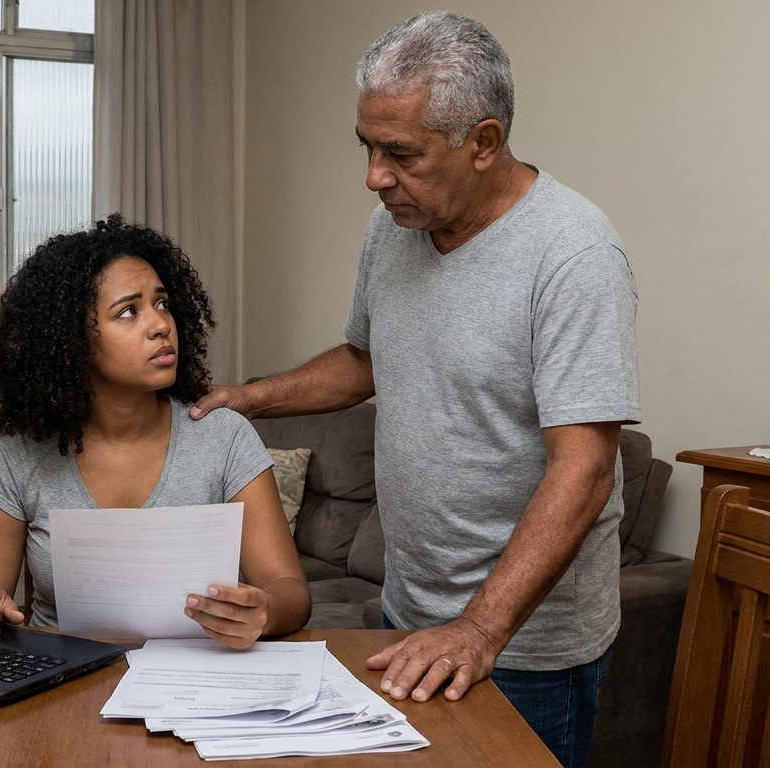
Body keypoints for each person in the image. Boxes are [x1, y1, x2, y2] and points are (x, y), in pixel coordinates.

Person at [189, 11, 638, 767]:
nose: (374, 176)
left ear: (483, 142)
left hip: (520, 643)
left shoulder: (574, 253)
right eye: (366, 146)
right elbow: (369, 359)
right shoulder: (394, 225)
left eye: (400, 153)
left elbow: (584, 468)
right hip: (408, 611)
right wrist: (252, 398)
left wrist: (480, 630)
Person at [0, 214, 311, 651]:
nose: (160, 324)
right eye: (129, 311)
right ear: (70, 342)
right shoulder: (18, 454)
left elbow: (290, 591)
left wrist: (265, 611)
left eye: (162, 303)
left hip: (200, 679)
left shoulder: (224, 436)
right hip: (62, 684)